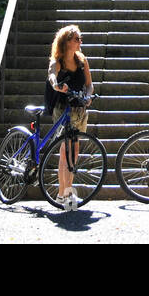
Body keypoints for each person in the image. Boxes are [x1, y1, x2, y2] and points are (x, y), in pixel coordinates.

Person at [47, 24, 93, 211]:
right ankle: (66, 192)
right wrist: (56, 85)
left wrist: (89, 96)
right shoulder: (58, 61)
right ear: (66, 42)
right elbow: (51, 75)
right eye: (76, 39)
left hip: (80, 109)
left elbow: (89, 84)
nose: (80, 42)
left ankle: (63, 193)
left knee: (74, 150)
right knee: (66, 149)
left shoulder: (82, 60)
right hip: (62, 108)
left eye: (80, 39)